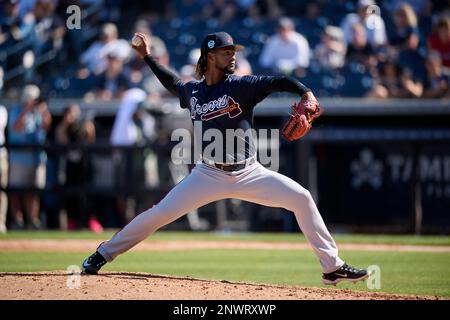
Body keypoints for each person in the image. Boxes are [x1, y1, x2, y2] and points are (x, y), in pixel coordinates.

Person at [82, 31, 370, 286]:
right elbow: (171, 82)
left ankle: (331, 268)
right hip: (208, 174)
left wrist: (306, 92)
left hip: (250, 172)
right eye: (226, 51)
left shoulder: (241, 86)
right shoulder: (193, 91)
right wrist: (147, 57)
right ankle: (103, 253)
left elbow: (279, 81)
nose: (232, 55)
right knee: (159, 214)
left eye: (233, 51)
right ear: (209, 56)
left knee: (302, 198)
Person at [7, 85, 51, 230]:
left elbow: (46, 127)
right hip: (19, 158)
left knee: (34, 192)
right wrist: (26, 109)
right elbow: (16, 127)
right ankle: (17, 220)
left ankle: (33, 220)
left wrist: (44, 112)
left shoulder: (38, 113)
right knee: (16, 191)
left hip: (36, 158)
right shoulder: (16, 111)